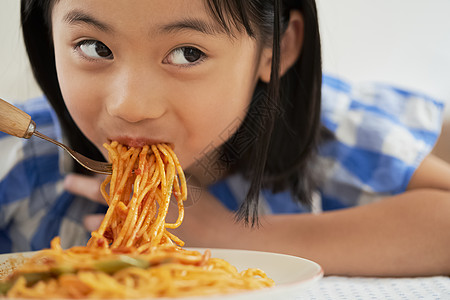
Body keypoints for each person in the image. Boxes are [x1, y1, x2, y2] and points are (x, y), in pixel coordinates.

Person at [0, 0, 449, 277]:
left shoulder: (330, 134)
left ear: (275, 51)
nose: (129, 105)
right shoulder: (23, 158)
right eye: (95, 47)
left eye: (187, 53)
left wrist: (229, 233)